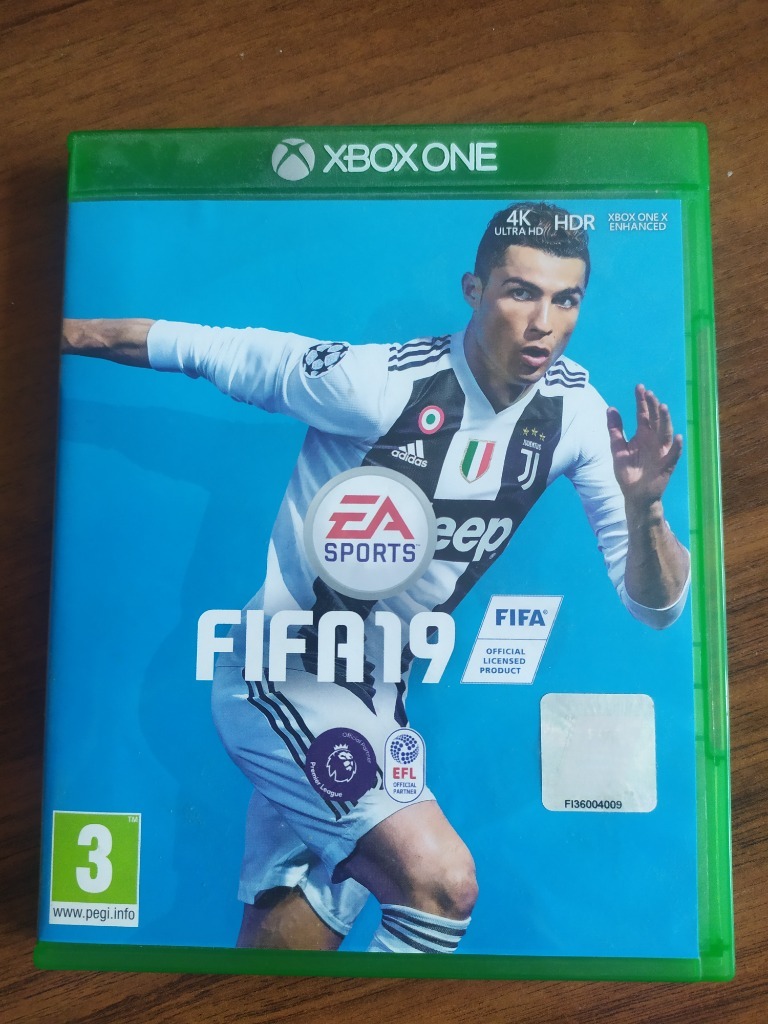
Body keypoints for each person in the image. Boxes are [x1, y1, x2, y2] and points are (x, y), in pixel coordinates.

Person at [61, 202, 690, 956]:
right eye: (521, 292)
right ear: (474, 290)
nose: (543, 324)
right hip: (284, 677)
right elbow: (203, 348)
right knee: (442, 884)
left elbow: (656, 607)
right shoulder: (378, 385)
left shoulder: (577, 417)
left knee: (285, 948)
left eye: (566, 300)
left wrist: (646, 511)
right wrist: (63, 333)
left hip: (375, 705)